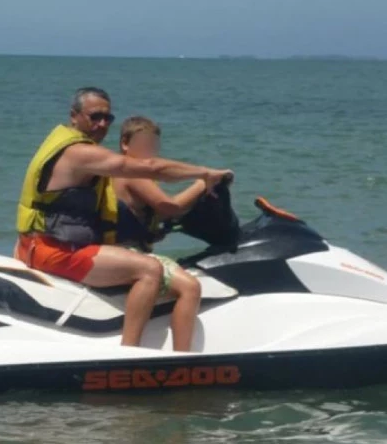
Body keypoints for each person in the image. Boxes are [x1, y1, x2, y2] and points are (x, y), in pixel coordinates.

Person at [14, 87, 233, 349]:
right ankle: (130, 350)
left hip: (39, 244)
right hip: (55, 251)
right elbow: (152, 169)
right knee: (150, 270)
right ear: (74, 116)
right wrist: (204, 175)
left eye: (107, 118)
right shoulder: (79, 153)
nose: (102, 124)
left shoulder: (67, 146)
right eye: (95, 117)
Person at [112, 116, 218, 351]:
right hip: (127, 251)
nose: (149, 151)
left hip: (124, 246)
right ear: (125, 144)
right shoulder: (133, 173)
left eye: (153, 145)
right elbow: (170, 207)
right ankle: (182, 356)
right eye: (143, 145)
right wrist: (203, 184)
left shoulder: (119, 171)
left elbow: (146, 215)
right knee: (190, 287)